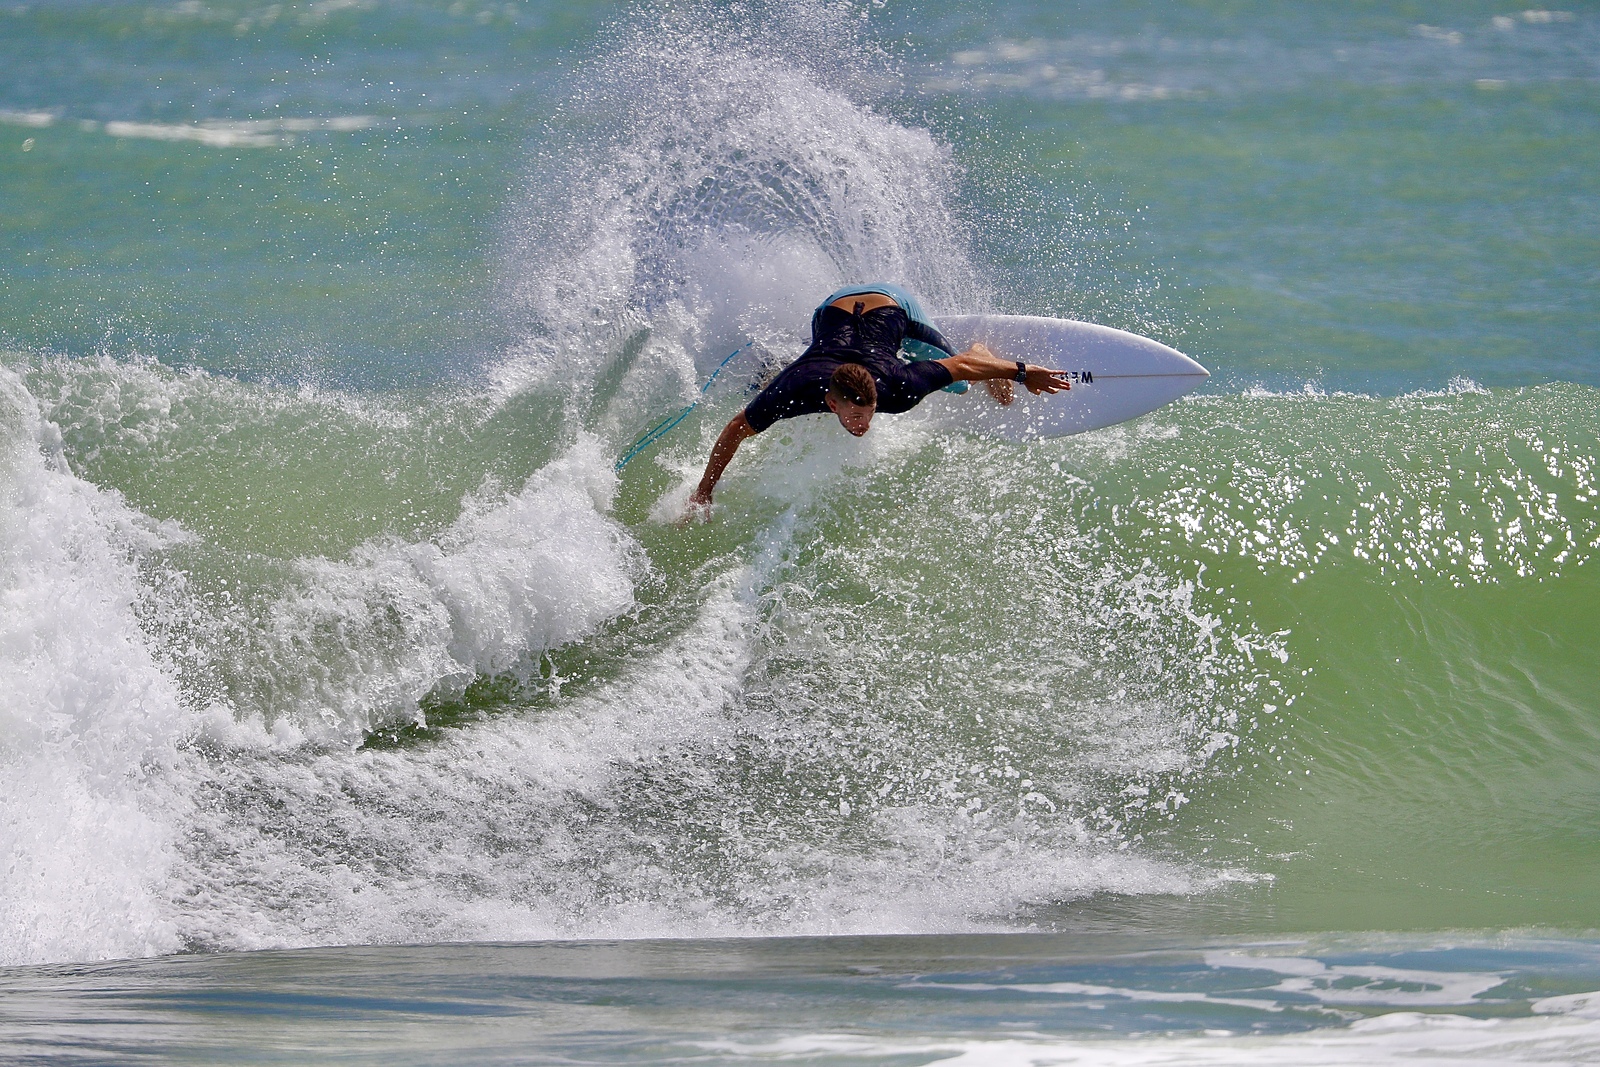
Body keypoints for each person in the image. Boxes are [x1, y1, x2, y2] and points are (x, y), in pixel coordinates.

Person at [688, 284, 1072, 514]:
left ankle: (985, 347)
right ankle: (777, 363)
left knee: (957, 384)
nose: (864, 425)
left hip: (891, 304)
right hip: (831, 307)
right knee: (780, 384)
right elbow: (737, 428)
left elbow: (964, 366)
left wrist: (1022, 372)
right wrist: (704, 490)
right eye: (856, 417)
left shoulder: (898, 388)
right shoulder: (798, 389)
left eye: (868, 414)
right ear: (832, 403)